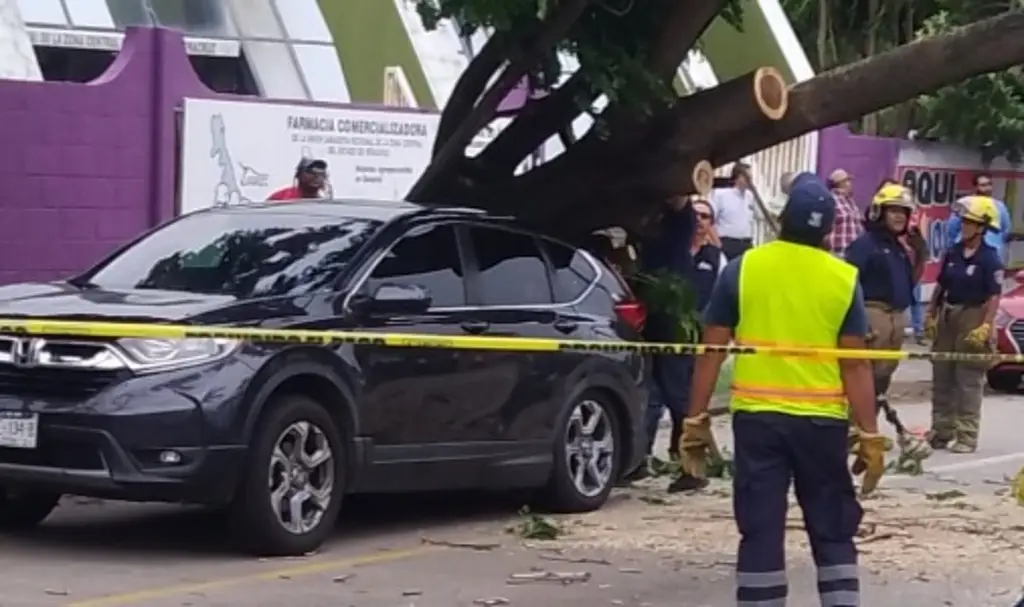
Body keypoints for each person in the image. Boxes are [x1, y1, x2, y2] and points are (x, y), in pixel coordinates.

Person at [679, 172, 883, 607]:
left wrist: (694, 419)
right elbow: (856, 363)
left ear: (781, 218)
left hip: (758, 421)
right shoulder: (843, 278)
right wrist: (869, 431)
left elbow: (710, 351)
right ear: (828, 230)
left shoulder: (743, 268)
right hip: (821, 423)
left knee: (761, 528)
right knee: (832, 527)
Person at [927, 195, 1004, 454]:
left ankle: (967, 435)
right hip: (949, 314)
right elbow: (941, 284)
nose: (964, 226)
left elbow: (994, 294)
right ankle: (941, 430)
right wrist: (931, 312)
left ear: (982, 227)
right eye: (963, 222)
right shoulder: (954, 253)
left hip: (974, 315)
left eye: (970, 222)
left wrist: (986, 325)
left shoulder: (989, 258)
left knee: (968, 378)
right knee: (942, 374)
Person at [627, 195, 696, 480]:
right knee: (651, 391)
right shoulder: (646, 220)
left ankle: (688, 463)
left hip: (671, 312)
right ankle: (639, 458)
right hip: (649, 310)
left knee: (677, 391)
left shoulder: (681, 220)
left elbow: (679, 201)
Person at [845, 183, 916, 421]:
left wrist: (922, 255)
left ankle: (868, 426)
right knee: (864, 375)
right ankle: (854, 428)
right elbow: (850, 283)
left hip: (896, 318)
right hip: (873, 315)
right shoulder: (864, 245)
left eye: (904, 212)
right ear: (879, 212)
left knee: (882, 377)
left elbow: (909, 283)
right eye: (893, 210)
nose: (899, 216)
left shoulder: (898, 248)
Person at [946, 172, 1011, 264]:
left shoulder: (999, 206)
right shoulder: (964, 203)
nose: (987, 188)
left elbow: (1005, 229)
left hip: (993, 252)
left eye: (989, 184)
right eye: (983, 185)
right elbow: (952, 229)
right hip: (965, 252)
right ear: (975, 187)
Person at [711, 163, 756, 260]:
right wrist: (718, 245)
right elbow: (710, 221)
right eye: (747, 178)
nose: (750, 181)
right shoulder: (721, 195)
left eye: (751, 178)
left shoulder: (750, 196)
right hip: (728, 243)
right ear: (737, 178)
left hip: (746, 244)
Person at [825, 168, 864, 258]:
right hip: (838, 252)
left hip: (854, 252)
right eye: (847, 180)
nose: (850, 184)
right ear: (840, 183)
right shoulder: (831, 200)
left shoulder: (850, 201)